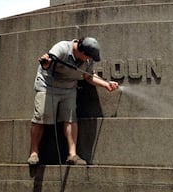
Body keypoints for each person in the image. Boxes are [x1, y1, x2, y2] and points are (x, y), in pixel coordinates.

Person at [28, 37, 119, 166]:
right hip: (48, 85)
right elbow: (47, 62)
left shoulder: (88, 58)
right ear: (81, 52)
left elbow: (88, 76)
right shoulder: (62, 48)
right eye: (87, 57)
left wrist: (106, 84)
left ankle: (72, 155)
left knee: (70, 118)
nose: (88, 60)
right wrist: (46, 63)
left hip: (69, 88)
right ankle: (34, 153)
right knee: (41, 116)